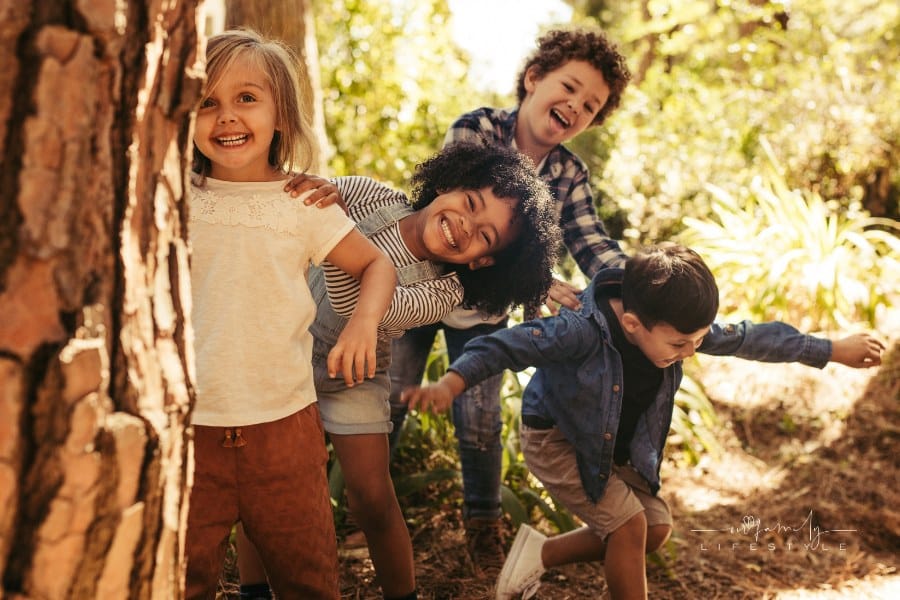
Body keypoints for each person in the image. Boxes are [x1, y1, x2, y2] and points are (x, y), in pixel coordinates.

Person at [401, 243, 885, 600]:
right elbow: (505, 345)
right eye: (680, 345)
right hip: (557, 441)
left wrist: (830, 349)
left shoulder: (675, 325)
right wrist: (451, 383)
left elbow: (748, 338)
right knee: (629, 528)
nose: (690, 352)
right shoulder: (579, 330)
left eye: (697, 340)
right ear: (632, 324)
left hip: (609, 446)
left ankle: (540, 553)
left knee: (654, 529)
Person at [240, 141, 562, 600]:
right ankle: (252, 590)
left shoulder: (444, 291)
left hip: (355, 375)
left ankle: (402, 594)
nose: (465, 225)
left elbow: (362, 307)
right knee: (264, 480)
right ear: (449, 183)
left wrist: (333, 232)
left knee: (372, 498)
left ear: (482, 261)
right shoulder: (371, 196)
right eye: (471, 203)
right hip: (283, 354)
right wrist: (313, 193)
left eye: (485, 236)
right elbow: (307, 201)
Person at [385, 26, 633, 570]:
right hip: (419, 288)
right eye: (569, 87)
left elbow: (591, 243)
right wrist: (536, 281)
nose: (575, 105)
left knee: (479, 417)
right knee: (392, 397)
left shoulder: (568, 173)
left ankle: (483, 525)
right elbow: (448, 221)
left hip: (483, 312)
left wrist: (639, 285)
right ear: (534, 78)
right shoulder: (476, 130)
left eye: (590, 105)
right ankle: (367, 505)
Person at [185, 29, 397, 599]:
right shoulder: (173, 197)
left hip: (284, 429)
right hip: (190, 429)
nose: (227, 116)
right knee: (180, 580)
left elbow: (376, 264)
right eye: (208, 102)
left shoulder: (304, 203)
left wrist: (362, 325)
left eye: (246, 98)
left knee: (308, 579)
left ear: (281, 114)